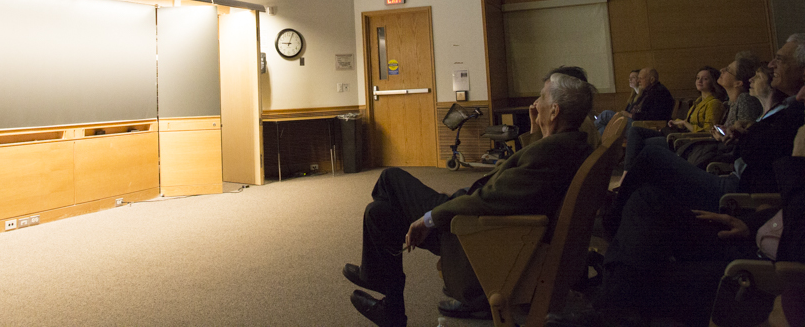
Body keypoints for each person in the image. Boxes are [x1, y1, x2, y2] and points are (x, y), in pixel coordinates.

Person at [344, 71, 595, 327]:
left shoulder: (550, 154)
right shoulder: (568, 145)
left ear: (554, 111)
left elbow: (490, 198)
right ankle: (390, 307)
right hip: (484, 224)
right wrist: (535, 130)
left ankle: (375, 275)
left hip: (474, 232)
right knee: (378, 213)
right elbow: (522, 182)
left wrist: (429, 219)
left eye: (541, 97)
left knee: (390, 178)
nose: (535, 103)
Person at [588, 34, 805, 321]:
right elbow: (784, 205)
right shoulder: (790, 111)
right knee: (646, 200)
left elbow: (760, 158)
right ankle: (617, 259)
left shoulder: (794, 116)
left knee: (651, 163)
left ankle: (611, 293)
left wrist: (796, 157)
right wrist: (752, 224)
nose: (771, 64)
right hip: (747, 223)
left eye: (781, 59)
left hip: (751, 246)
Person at [679, 55, 765, 168]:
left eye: (728, 70)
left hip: (723, 162)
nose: (721, 70)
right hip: (715, 154)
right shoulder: (729, 103)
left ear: (738, 83)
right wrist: (722, 132)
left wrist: (723, 137)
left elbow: (744, 142)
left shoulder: (745, 99)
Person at [593, 69, 639, 137]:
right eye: (629, 78)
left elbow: (645, 115)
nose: (630, 80)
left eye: (633, 77)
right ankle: (592, 138)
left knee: (606, 114)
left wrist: (629, 115)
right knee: (604, 129)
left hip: (636, 124)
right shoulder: (633, 96)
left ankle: (589, 131)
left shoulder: (646, 96)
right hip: (629, 121)